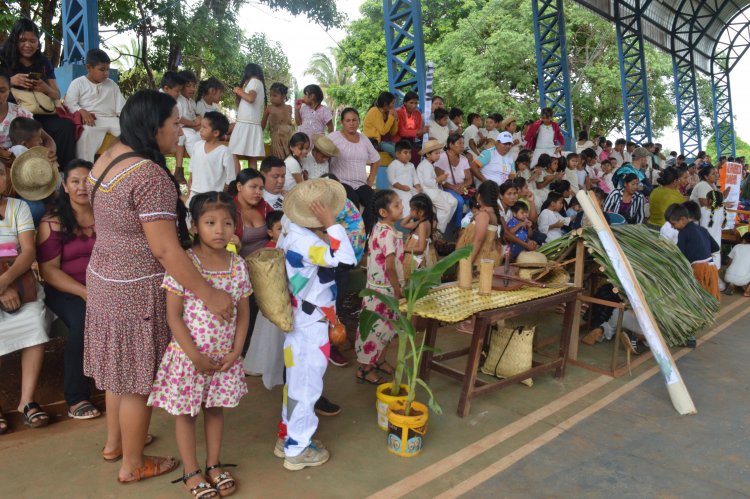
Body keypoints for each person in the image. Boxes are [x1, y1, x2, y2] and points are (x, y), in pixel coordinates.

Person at [85, 90, 234, 483]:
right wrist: (209, 292)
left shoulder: (108, 156)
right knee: (137, 381)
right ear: (154, 128)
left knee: (121, 370)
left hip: (105, 277)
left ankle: (115, 443)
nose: (180, 132)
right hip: (136, 288)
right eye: (174, 124)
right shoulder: (149, 175)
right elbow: (166, 249)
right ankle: (133, 464)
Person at [149, 192, 250, 498]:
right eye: (210, 222)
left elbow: (244, 315)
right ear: (194, 226)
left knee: (215, 410)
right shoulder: (186, 264)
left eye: (227, 222)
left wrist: (236, 351)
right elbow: (174, 316)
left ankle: (214, 464)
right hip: (188, 357)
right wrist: (194, 357)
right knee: (187, 414)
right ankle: (191, 471)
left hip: (224, 359)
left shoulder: (238, 264)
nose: (220, 229)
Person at [276, 178, 356, 470]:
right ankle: (297, 450)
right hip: (311, 322)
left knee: (295, 382)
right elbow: (345, 257)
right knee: (307, 386)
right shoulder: (307, 241)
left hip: (301, 318)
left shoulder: (290, 229)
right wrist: (331, 223)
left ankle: (287, 436)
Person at [36, 159, 100, 420]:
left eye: (88, 180)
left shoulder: (107, 214)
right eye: (75, 181)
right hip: (65, 288)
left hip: (104, 286)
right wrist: (85, 292)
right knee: (84, 321)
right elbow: (49, 270)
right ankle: (76, 397)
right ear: (65, 185)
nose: (82, 186)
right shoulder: (52, 221)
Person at [0, 159, 51, 435]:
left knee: (34, 321)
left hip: (18, 281)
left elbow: (28, 251)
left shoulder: (17, 207)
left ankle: (27, 402)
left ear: (6, 178)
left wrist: (6, 281)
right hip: (6, 285)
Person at [0, 19, 75, 167]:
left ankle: (62, 171)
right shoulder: (3, 56)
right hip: (14, 113)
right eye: (23, 40)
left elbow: (56, 95)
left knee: (65, 126)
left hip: (38, 111)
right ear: (15, 40)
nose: (28, 45)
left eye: (33, 41)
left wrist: (43, 87)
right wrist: (11, 80)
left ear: (38, 42)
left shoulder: (43, 62)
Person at [354, 189, 404, 384]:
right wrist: (398, 290)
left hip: (379, 287)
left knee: (387, 329)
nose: (402, 207)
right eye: (397, 205)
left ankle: (379, 360)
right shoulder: (387, 234)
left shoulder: (380, 228)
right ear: (384, 212)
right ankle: (365, 369)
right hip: (383, 290)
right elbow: (390, 267)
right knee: (375, 331)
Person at [243, 209, 285, 386]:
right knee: (268, 336)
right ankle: (265, 364)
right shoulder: (268, 251)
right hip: (272, 301)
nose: (283, 233)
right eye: (279, 229)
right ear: (270, 232)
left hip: (282, 300)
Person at [64, 49, 126, 162]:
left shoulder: (112, 84)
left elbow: (122, 109)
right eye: (102, 69)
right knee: (86, 134)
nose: (106, 73)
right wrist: (81, 110)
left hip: (112, 119)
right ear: (89, 68)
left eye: (107, 69)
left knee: (131, 132)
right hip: (92, 121)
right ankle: (85, 170)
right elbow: (69, 103)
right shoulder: (78, 83)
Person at [328, 107, 380, 234]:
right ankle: (351, 238)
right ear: (342, 122)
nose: (351, 123)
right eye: (348, 120)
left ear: (358, 121)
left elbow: (376, 159)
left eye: (354, 120)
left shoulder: (364, 139)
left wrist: (370, 180)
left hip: (361, 183)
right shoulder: (334, 137)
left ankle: (364, 237)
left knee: (375, 203)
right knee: (353, 201)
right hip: (341, 182)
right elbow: (321, 152)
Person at [669, 203, 721, 301]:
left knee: (696, 298)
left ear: (683, 219)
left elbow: (679, 254)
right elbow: (715, 247)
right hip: (712, 267)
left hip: (699, 270)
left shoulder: (683, 233)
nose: (673, 227)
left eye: (673, 224)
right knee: (709, 297)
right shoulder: (702, 229)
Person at [186, 111, 233, 207]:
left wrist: (221, 195)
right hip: (195, 193)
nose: (200, 130)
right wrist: (190, 181)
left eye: (204, 127)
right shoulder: (197, 146)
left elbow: (230, 178)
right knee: (191, 219)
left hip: (214, 197)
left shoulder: (224, 151)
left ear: (215, 133)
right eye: (201, 126)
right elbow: (192, 166)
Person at [229, 63, 266, 173]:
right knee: (252, 157)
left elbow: (250, 98)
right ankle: (251, 182)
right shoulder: (258, 83)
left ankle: (236, 181)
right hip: (251, 124)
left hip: (246, 124)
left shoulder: (254, 81)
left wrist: (238, 91)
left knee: (232, 152)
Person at [415, 139, 458, 234]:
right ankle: (439, 232)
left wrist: (441, 179)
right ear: (428, 154)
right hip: (428, 192)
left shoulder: (429, 164)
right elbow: (427, 183)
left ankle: (439, 224)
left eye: (439, 153)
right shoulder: (425, 165)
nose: (438, 155)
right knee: (446, 208)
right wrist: (439, 179)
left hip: (434, 190)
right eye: (436, 153)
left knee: (454, 201)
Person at [457, 180, 502, 267]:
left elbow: (478, 240)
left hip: (477, 262)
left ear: (478, 196)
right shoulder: (490, 213)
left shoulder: (484, 215)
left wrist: (468, 264)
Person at [435, 133, 473, 230]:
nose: (462, 146)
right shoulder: (441, 158)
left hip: (461, 188)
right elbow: (439, 180)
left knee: (475, 202)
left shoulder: (464, 159)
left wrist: (462, 186)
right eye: (459, 143)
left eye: (463, 143)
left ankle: (466, 225)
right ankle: (458, 228)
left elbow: (469, 180)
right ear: (451, 145)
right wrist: (454, 188)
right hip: (446, 187)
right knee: (459, 201)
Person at [402, 193, 438, 279]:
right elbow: (403, 224)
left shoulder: (423, 225)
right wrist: (413, 213)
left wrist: (403, 249)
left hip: (417, 261)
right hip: (414, 258)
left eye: (411, 209)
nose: (410, 211)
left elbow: (421, 249)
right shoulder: (420, 222)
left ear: (421, 212)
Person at [174, 70, 201, 181]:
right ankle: (195, 171)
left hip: (192, 129)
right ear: (181, 87)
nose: (192, 89)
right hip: (183, 129)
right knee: (193, 139)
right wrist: (194, 123)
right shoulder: (178, 100)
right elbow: (179, 118)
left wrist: (198, 122)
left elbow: (195, 117)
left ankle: (199, 169)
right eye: (188, 86)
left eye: (194, 86)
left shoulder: (192, 102)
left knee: (201, 138)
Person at [387, 139, 421, 218]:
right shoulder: (393, 165)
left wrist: (418, 186)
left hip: (409, 189)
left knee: (420, 196)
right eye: (405, 152)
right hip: (397, 190)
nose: (408, 155)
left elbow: (415, 178)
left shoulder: (411, 165)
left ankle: (418, 218)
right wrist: (402, 187)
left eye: (409, 152)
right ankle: (408, 219)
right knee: (408, 198)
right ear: (397, 154)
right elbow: (392, 180)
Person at [262, 82, 293, 160]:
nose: (272, 98)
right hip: (276, 140)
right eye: (271, 95)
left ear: (283, 96)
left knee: (290, 160)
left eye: (275, 95)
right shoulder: (269, 108)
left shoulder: (289, 108)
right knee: (278, 161)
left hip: (288, 140)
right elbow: (262, 125)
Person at [395, 91, 427, 162]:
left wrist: (425, 132)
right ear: (405, 103)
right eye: (411, 103)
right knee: (414, 156)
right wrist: (419, 132)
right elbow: (402, 132)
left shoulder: (417, 113)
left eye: (416, 103)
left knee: (429, 151)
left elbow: (418, 133)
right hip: (399, 141)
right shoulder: (398, 112)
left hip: (412, 141)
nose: (414, 105)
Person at [363, 91, 398, 156]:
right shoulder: (374, 111)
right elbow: (383, 131)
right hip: (375, 142)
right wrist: (391, 117)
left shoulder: (387, 113)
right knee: (395, 151)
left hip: (386, 141)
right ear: (385, 104)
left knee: (401, 149)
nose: (394, 106)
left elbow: (393, 132)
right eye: (393, 103)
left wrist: (395, 119)